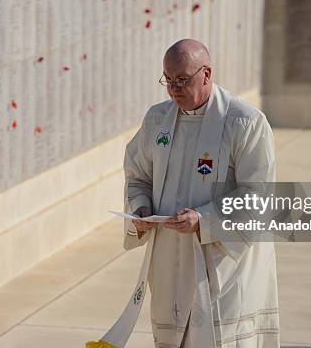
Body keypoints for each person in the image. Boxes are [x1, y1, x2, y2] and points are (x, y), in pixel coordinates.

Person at [88, 39, 279, 348]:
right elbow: (137, 176)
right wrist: (139, 210)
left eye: (182, 79)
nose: (173, 88)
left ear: (206, 74)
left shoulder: (245, 123)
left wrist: (204, 219)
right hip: (169, 263)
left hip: (222, 267)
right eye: (168, 79)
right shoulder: (157, 120)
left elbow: (258, 196)